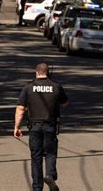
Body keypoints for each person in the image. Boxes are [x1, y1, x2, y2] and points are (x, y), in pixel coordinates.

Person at [14, 63, 69, 191]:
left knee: (36, 158)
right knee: (50, 154)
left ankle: (37, 188)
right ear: (48, 72)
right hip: (50, 126)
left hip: (34, 127)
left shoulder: (28, 87)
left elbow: (20, 108)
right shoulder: (56, 86)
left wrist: (17, 127)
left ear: (36, 72)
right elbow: (65, 102)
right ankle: (50, 175)